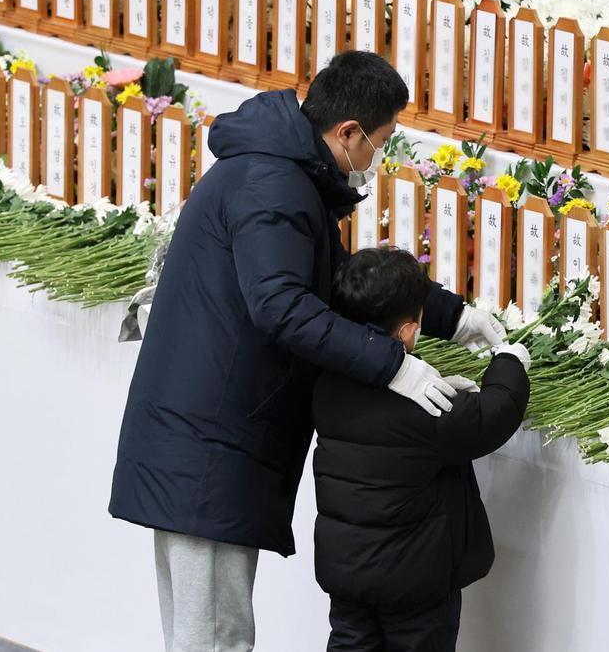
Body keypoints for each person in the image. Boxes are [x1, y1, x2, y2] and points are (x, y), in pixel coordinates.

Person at [107, 51, 506, 652]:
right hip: (208, 446)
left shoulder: (284, 172)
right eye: (380, 142)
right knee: (215, 637)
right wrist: (394, 365)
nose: (377, 158)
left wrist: (450, 317)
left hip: (211, 434)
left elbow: (338, 277)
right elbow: (283, 307)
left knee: (210, 631)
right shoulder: (274, 185)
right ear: (347, 133)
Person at [312, 247, 531, 652]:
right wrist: (509, 363)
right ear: (409, 331)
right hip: (414, 580)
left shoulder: (328, 377)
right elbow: (494, 415)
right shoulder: (423, 407)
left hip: (348, 574)